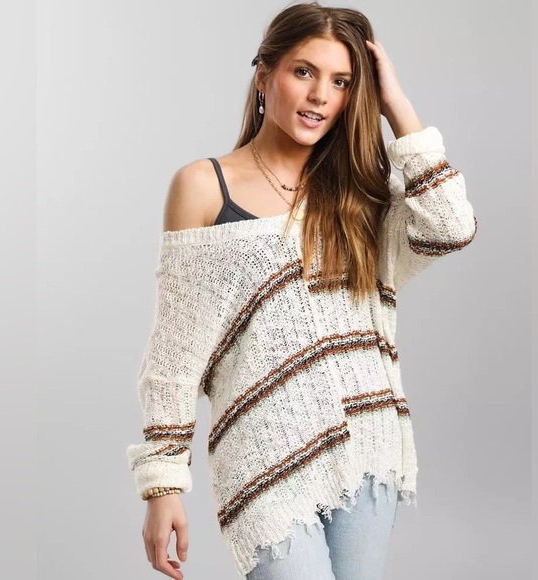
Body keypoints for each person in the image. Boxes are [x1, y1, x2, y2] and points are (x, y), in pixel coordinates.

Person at [125, 2, 478, 579]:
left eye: (341, 82)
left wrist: (396, 103)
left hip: (367, 441)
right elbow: (174, 355)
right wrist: (161, 485)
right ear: (265, 75)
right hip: (263, 454)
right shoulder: (203, 187)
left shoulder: (362, 191)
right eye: (304, 71)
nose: (319, 96)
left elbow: (450, 226)